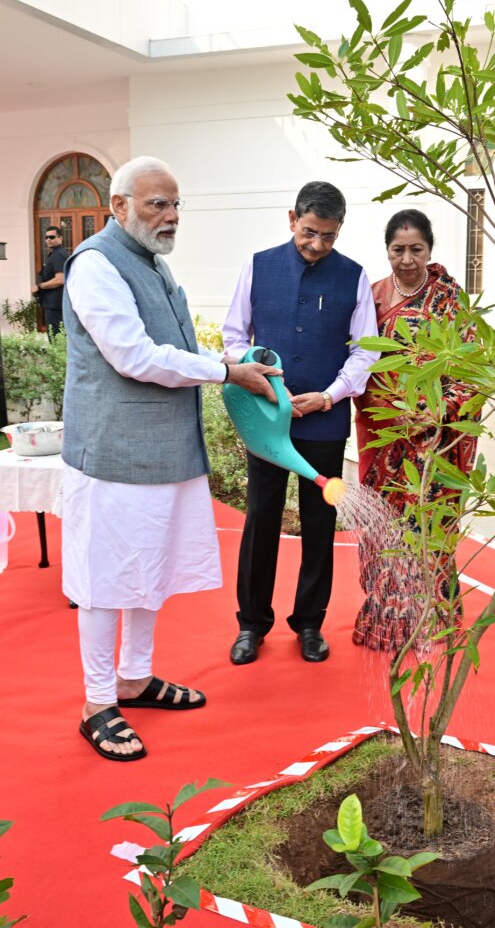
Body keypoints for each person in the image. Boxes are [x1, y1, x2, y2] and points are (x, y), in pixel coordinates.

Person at [63, 155, 280, 762]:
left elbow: (174, 346)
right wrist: (225, 371)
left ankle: (135, 678)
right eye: (157, 203)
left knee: (147, 571)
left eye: (176, 203)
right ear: (118, 206)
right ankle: (98, 700)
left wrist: (229, 363)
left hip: (163, 453)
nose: (171, 215)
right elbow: (133, 354)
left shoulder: (152, 266)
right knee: (107, 580)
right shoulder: (96, 265)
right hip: (112, 456)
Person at [222, 181, 379, 665]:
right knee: (261, 517)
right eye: (309, 232)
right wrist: (260, 383)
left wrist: (329, 396)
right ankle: (252, 624)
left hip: (324, 422)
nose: (316, 244)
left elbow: (365, 351)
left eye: (327, 237)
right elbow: (232, 336)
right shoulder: (258, 265)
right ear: (292, 218)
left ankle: (309, 624)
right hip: (266, 417)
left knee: (319, 520)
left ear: (339, 231)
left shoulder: (354, 277)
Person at [352, 209, 477, 652]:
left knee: (429, 527)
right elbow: (360, 360)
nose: (406, 259)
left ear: (430, 249)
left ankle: (432, 620)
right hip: (384, 433)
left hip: (435, 439)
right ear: (387, 249)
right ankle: (386, 618)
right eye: (397, 249)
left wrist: (434, 412)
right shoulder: (372, 297)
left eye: (416, 249)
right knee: (383, 527)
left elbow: (470, 367)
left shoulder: (448, 298)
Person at [32, 225, 67, 338]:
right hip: (53, 304)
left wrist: (40, 286)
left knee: (56, 338)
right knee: (56, 337)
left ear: (60, 238)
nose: (48, 240)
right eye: (46, 237)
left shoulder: (58, 255)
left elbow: (60, 279)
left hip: (55, 305)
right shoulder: (54, 254)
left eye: (52, 237)